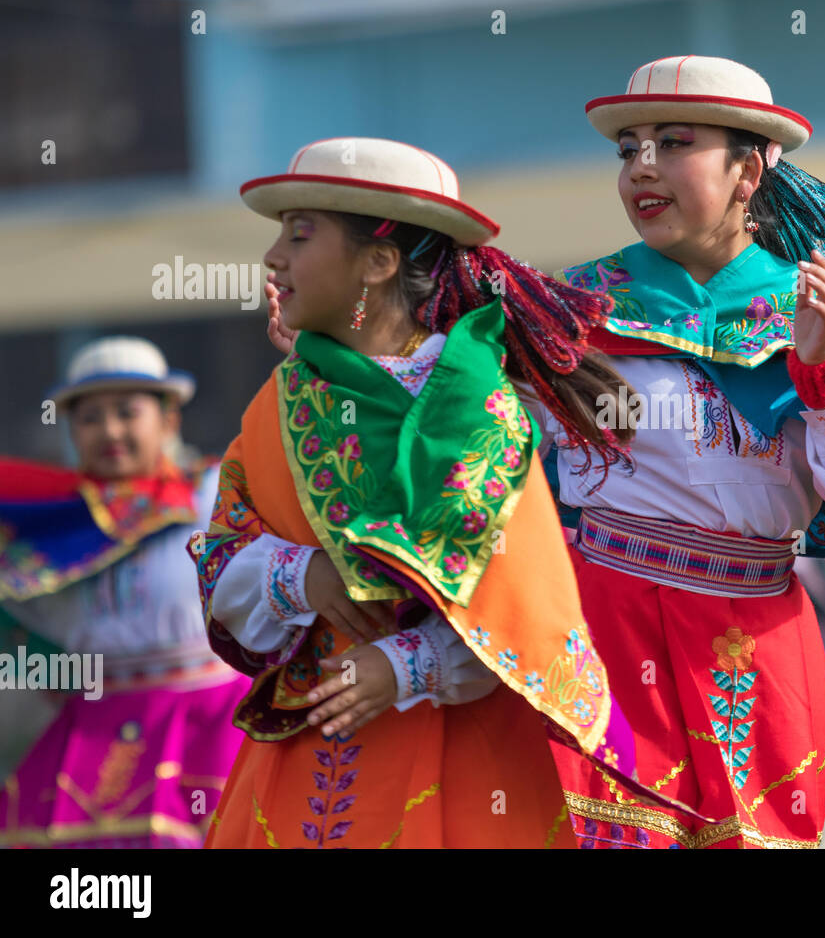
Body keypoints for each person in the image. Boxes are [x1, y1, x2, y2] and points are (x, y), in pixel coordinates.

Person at [543, 55, 825, 847]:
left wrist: (823, 379)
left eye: (673, 143)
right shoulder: (570, 311)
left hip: (751, 638)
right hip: (602, 628)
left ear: (750, 169)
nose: (642, 166)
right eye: (628, 148)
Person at [198, 137, 648, 848]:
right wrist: (301, 577)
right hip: (312, 740)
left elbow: (529, 610)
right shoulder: (275, 404)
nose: (273, 258)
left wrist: (408, 664)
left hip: (461, 745)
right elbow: (223, 553)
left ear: (378, 264)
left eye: (301, 234)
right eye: (279, 235)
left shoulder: (476, 412)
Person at [0, 337, 246, 847]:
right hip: (96, 722)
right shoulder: (55, 527)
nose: (110, 430)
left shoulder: (217, 493)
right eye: (90, 418)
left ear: (169, 420)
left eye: (127, 412)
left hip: (207, 718)